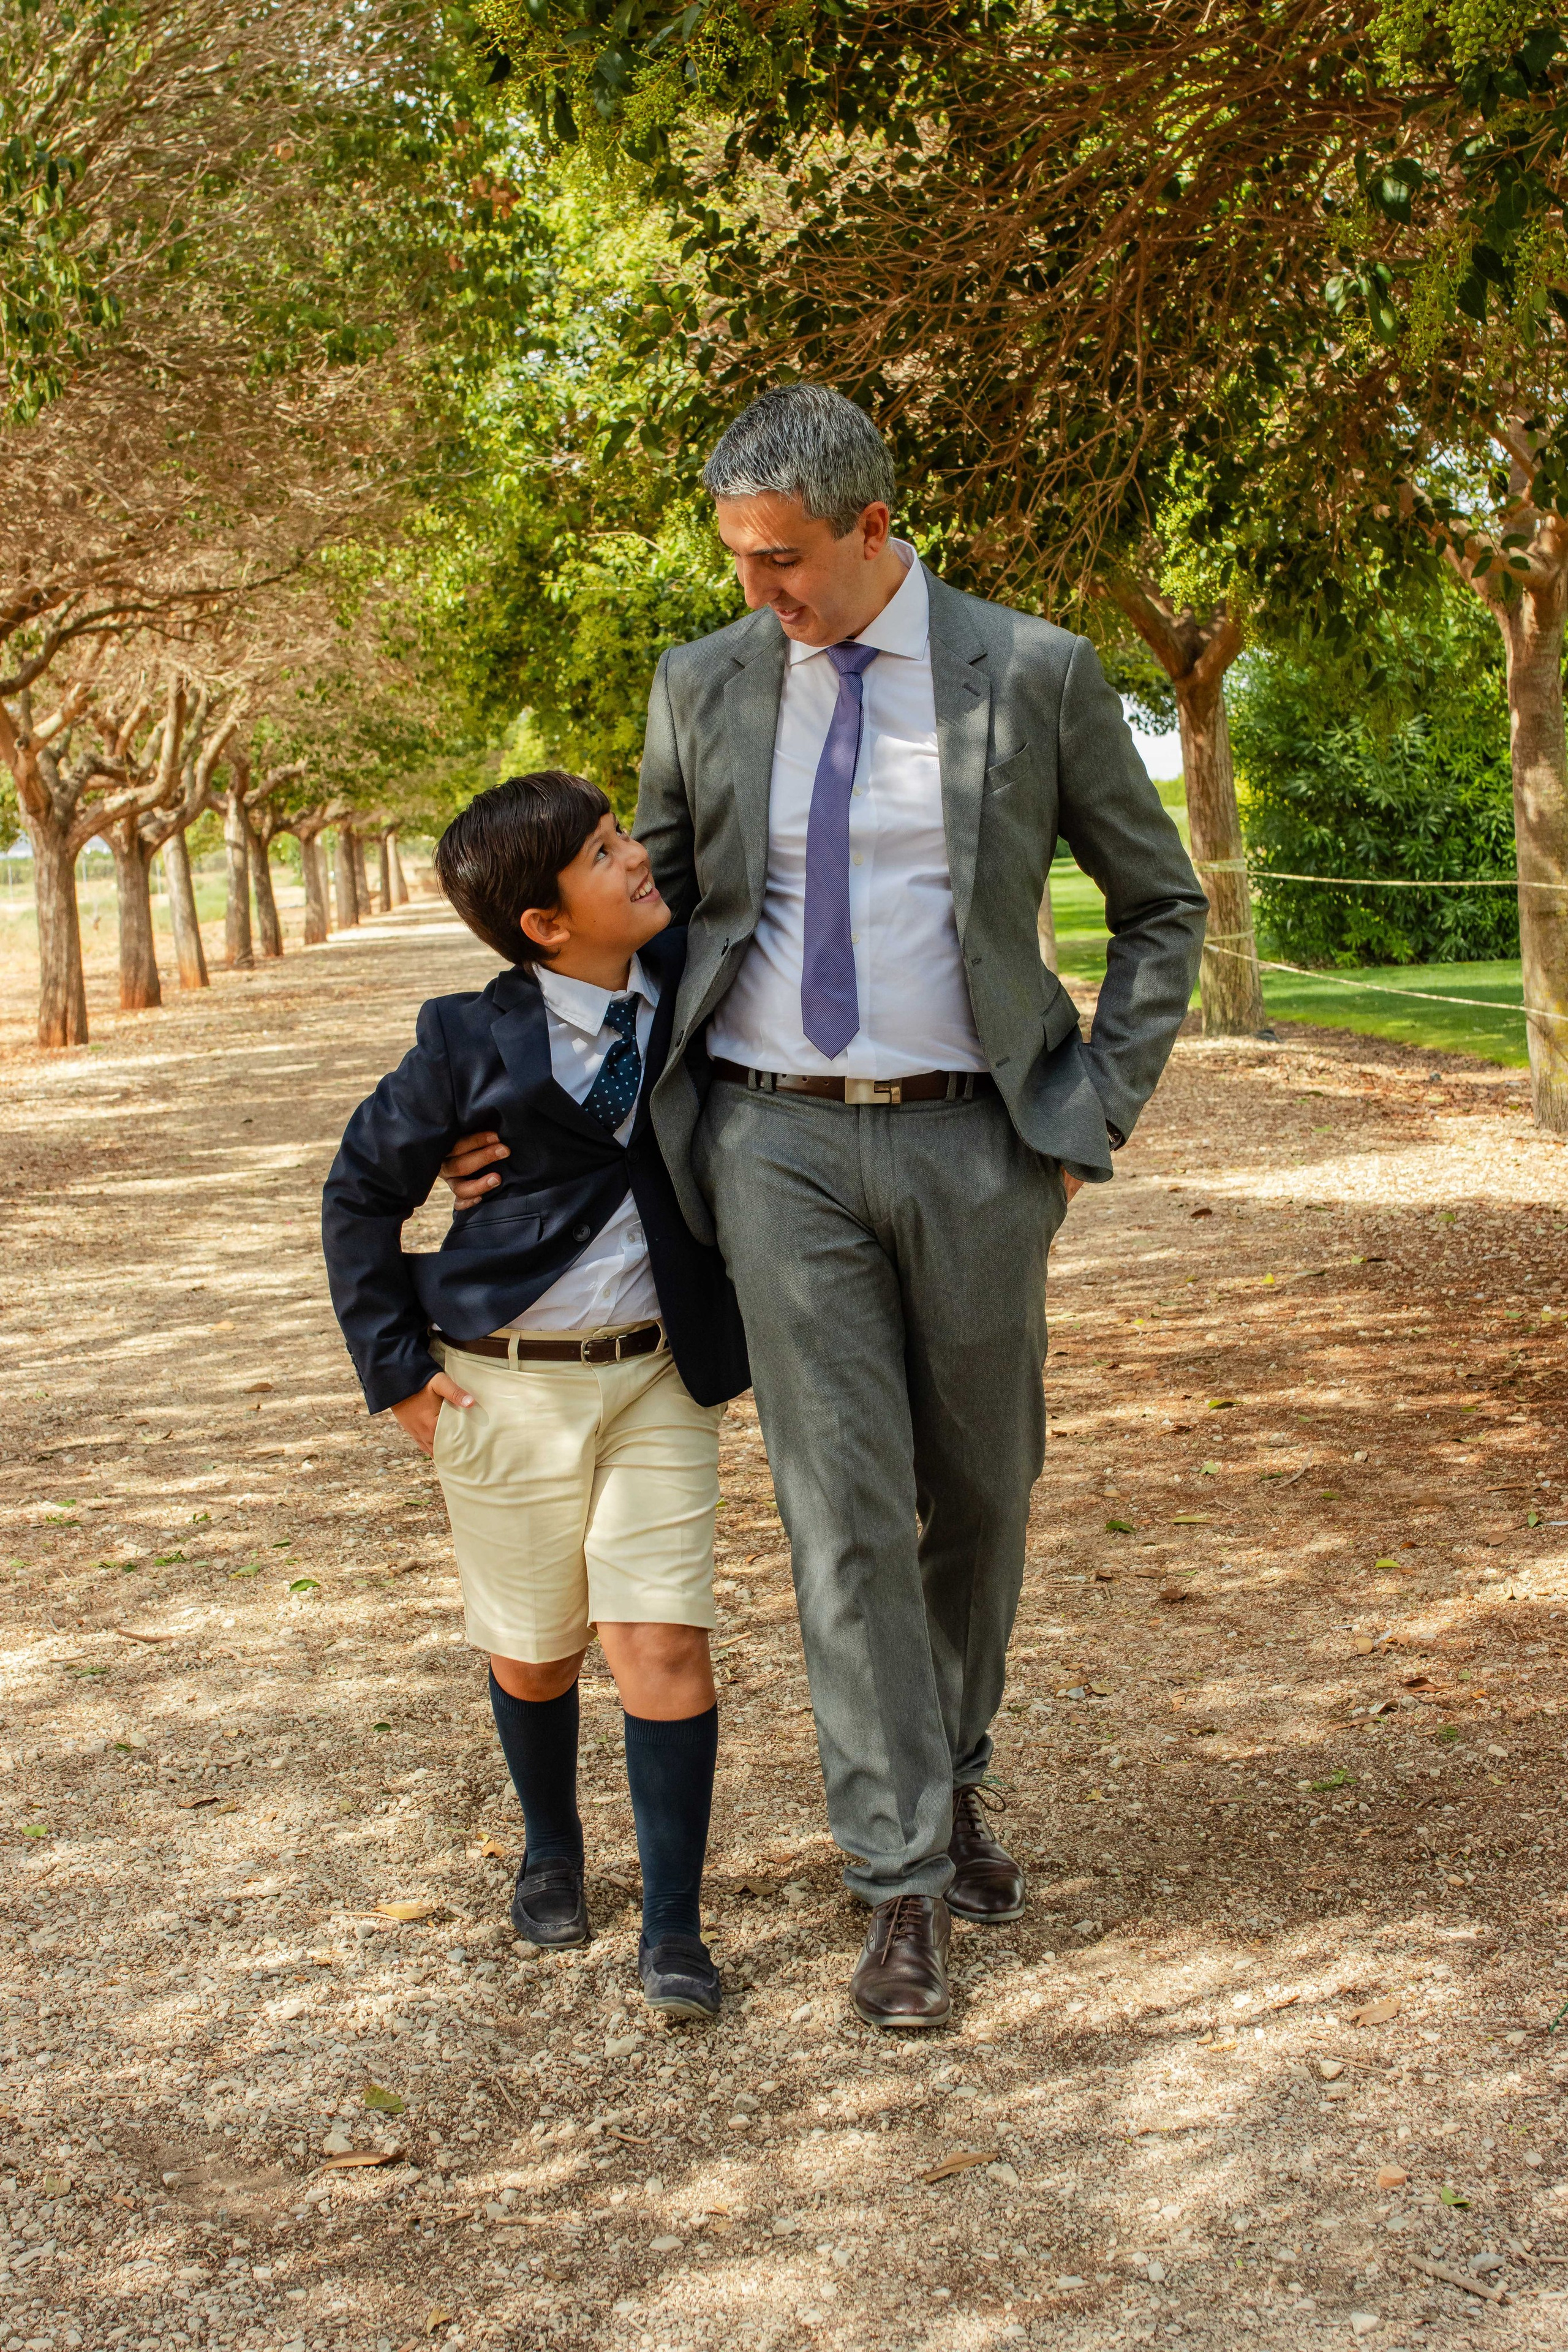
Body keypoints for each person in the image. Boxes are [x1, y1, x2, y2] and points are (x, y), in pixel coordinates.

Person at [444, 386, 1207, 2032]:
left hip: (978, 1148)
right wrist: (477, 1103)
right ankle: (902, 1880)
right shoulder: (703, 684)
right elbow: (623, 923)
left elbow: (1162, 906)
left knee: (981, 1498)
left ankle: (951, 1772)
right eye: (737, 559)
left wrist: (1088, 1117)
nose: (758, 592)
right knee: (841, 1519)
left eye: (783, 560)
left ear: (875, 532)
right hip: (775, 1151)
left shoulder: (1039, 673)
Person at [320, 771, 750, 2022]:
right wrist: (396, 1370)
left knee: (659, 1637)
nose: (635, 858)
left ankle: (672, 1925)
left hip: (659, 1375)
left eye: (625, 835)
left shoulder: (692, 1000)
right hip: (505, 1388)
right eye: (604, 852)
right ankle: (551, 1845)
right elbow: (358, 1195)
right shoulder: (465, 1041)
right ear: (544, 927)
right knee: (537, 1649)